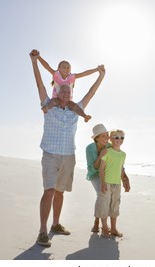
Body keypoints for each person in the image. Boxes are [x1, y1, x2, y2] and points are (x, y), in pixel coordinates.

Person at [29, 49, 105, 247]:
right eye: (62, 90)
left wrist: (101, 75)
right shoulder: (49, 105)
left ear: (70, 93)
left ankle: (55, 224)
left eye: (68, 91)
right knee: (49, 190)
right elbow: (38, 83)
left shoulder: (75, 110)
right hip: (51, 154)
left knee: (60, 191)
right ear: (57, 90)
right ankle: (42, 231)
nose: (65, 93)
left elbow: (91, 93)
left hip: (68, 156)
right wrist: (34, 61)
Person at [86, 124, 130, 234]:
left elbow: (118, 164)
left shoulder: (110, 146)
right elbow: (94, 167)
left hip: (108, 174)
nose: (106, 138)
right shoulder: (90, 148)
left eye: (107, 136)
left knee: (107, 198)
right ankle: (98, 223)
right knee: (102, 196)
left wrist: (125, 178)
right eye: (103, 136)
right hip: (95, 174)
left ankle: (107, 225)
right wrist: (100, 155)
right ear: (97, 138)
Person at [37, 51, 98, 122]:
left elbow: (84, 73)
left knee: (74, 106)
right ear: (59, 68)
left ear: (70, 70)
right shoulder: (56, 75)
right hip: (57, 98)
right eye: (63, 67)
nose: (66, 69)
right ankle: (46, 108)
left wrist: (96, 69)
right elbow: (47, 66)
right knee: (53, 101)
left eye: (68, 68)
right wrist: (38, 57)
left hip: (67, 100)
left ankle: (84, 116)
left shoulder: (72, 77)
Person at [97, 129, 130, 238]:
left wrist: (124, 181)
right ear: (111, 139)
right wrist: (102, 183)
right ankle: (105, 228)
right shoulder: (107, 152)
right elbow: (101, 169)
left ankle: (114, 229)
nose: (119, 140)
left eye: (122, 137)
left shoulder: (123, 154)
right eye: (116, 137)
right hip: (106, 183)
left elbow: (121, 169)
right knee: (104, 206)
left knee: (115, 206)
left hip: (117, 184)